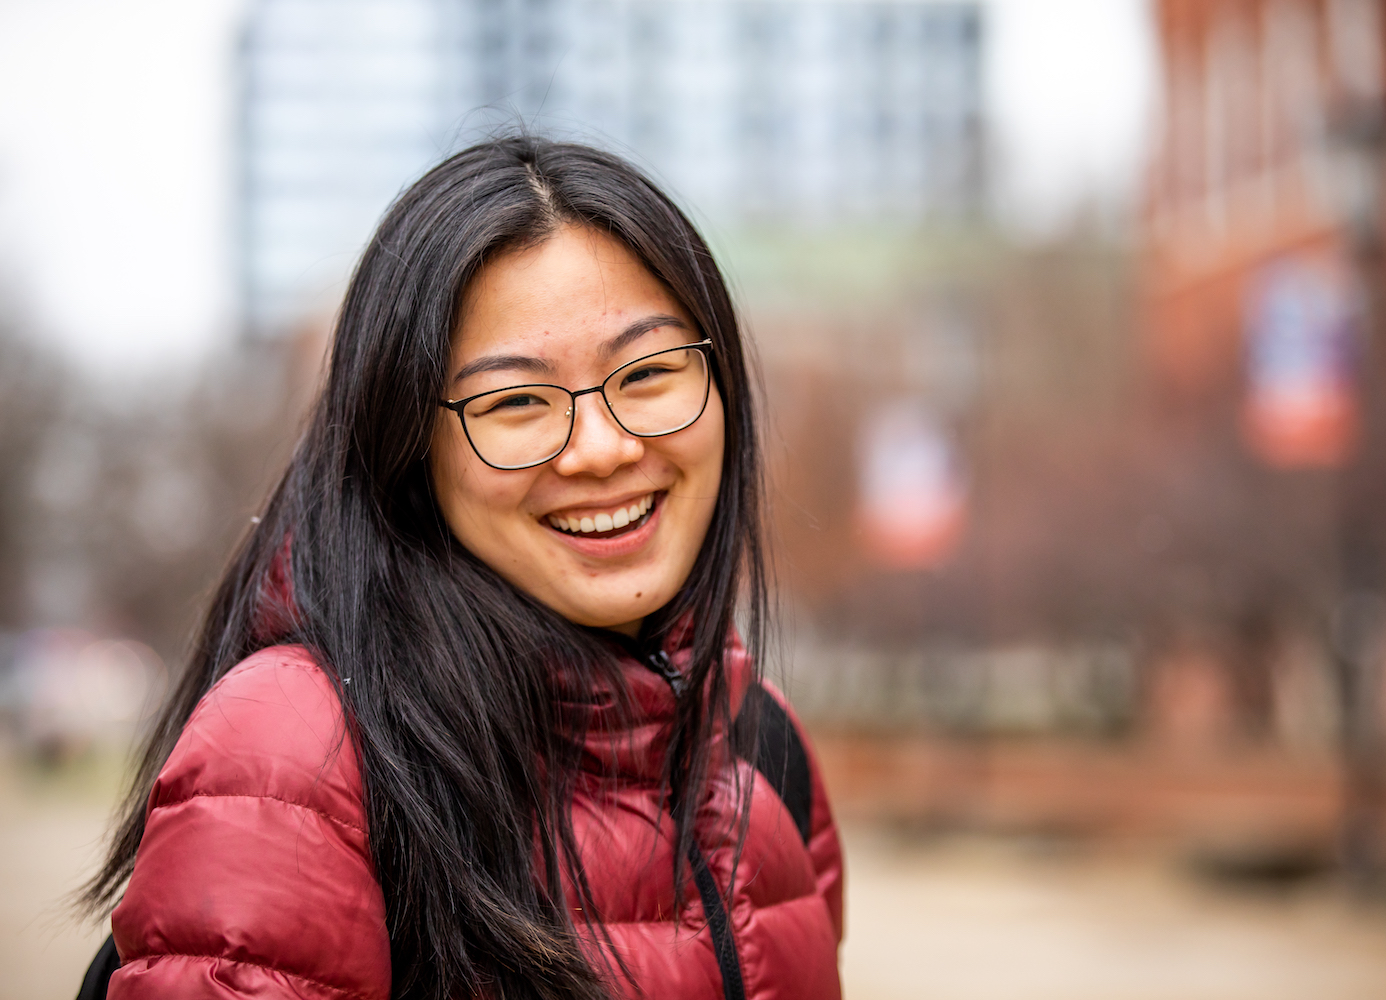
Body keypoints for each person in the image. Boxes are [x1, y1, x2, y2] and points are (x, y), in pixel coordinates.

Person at [80, 135, 844, 1000]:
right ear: (409, 445)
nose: (603, 448)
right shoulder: (296, 753)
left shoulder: (759, 741)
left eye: (651, 371)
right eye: (515, 400)